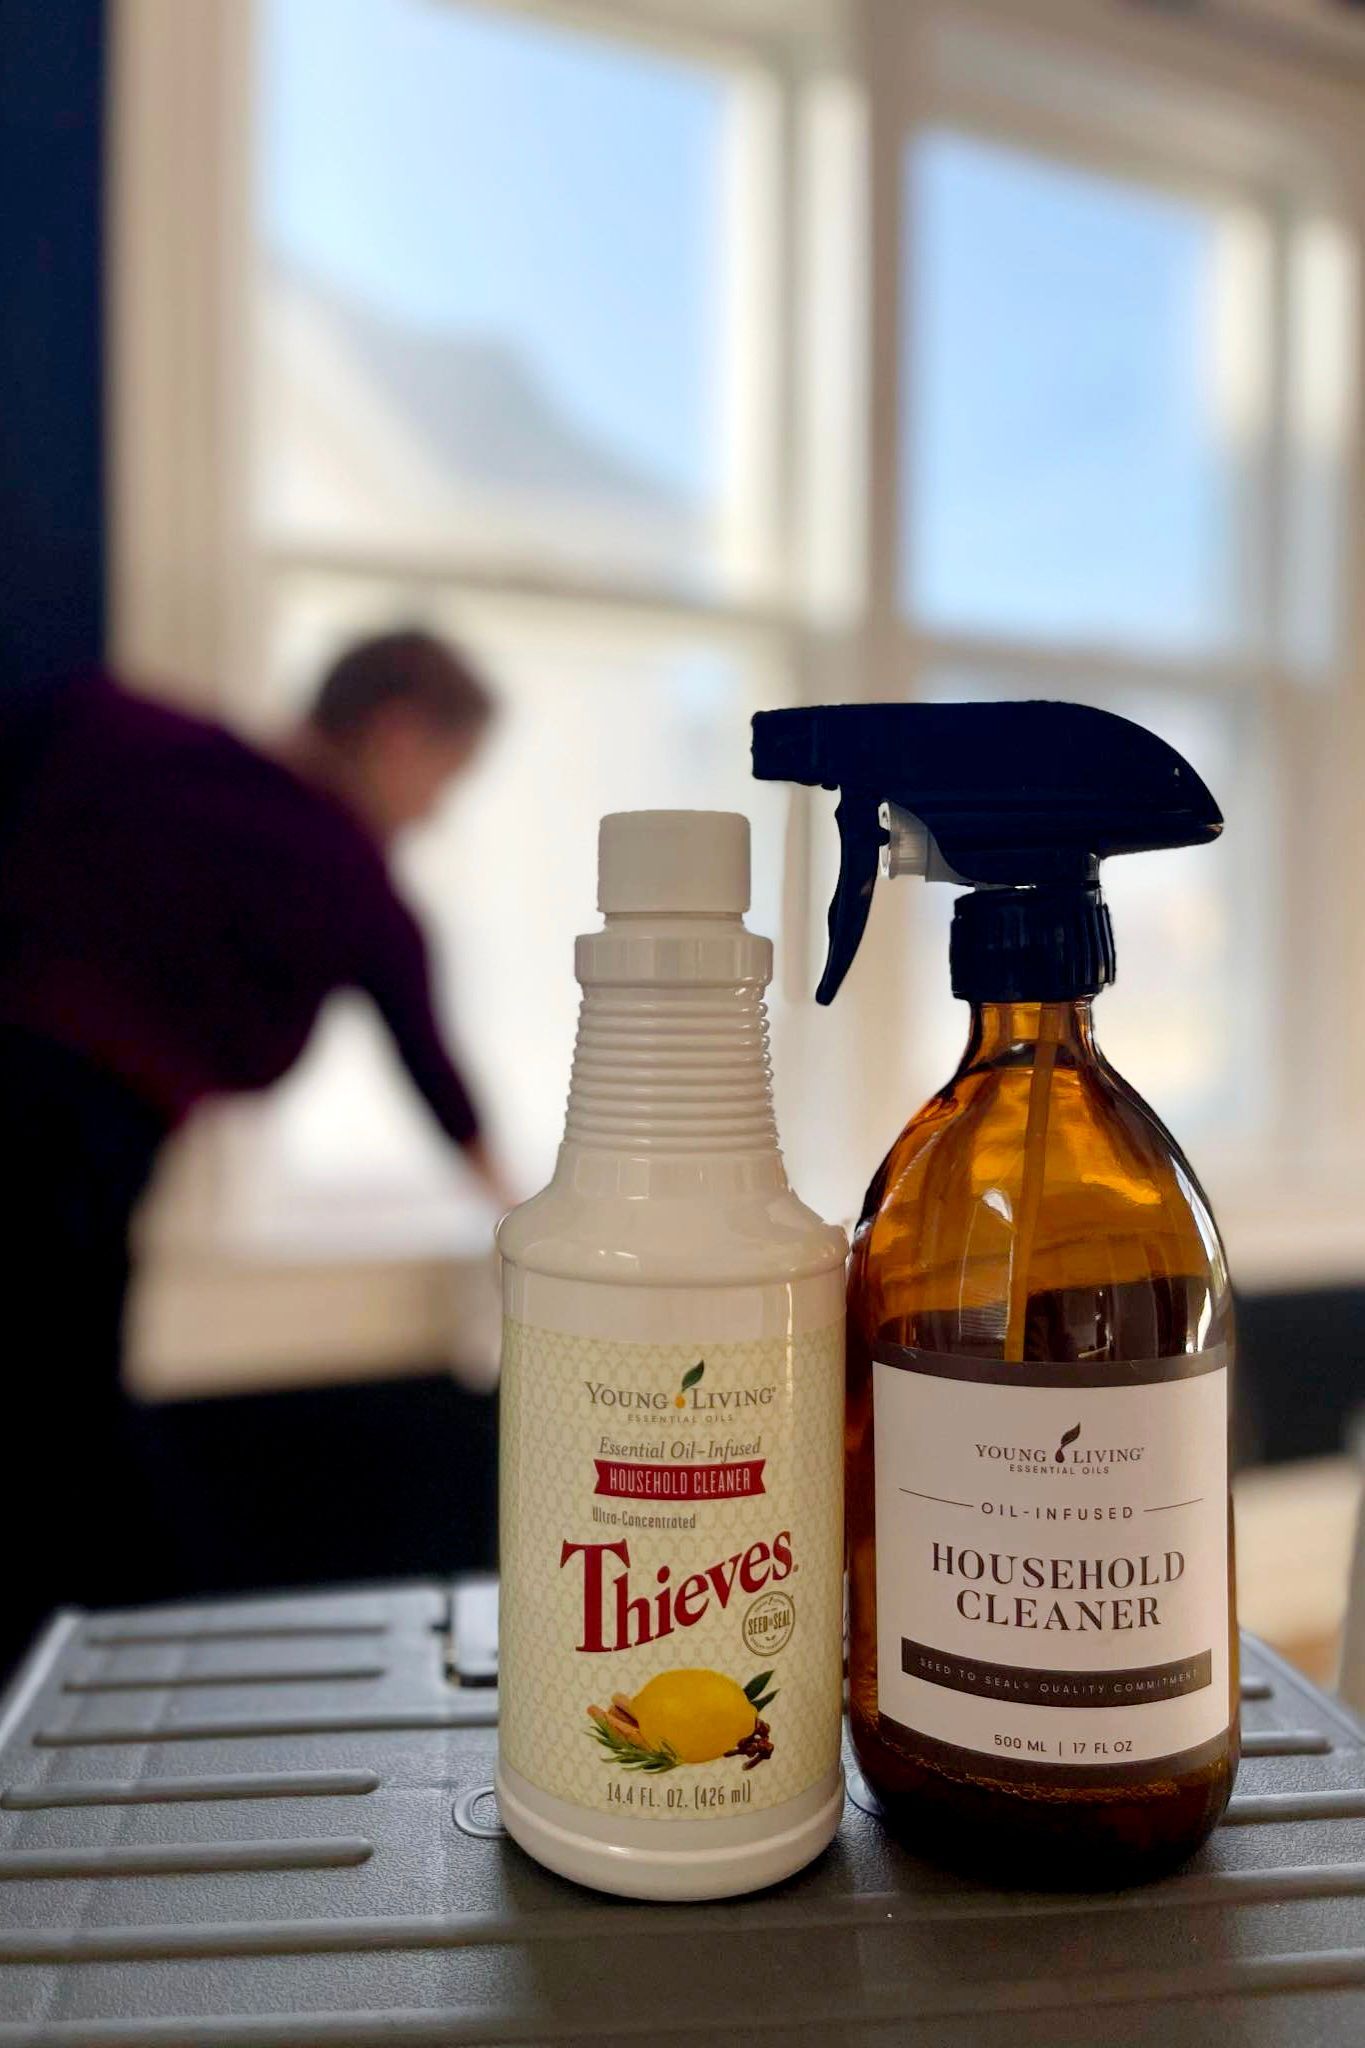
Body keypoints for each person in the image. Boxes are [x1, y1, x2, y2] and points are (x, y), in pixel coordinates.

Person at [0, 630, 508, 1668]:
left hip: (55, 1134)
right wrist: (527, 1217)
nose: (434, 811)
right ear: (399, 734)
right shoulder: (350, 874)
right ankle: (140, 1682)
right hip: (69, 1155)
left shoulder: (107, 725)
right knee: (67, 1438)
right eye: (443, 779)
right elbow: (439, 1081)